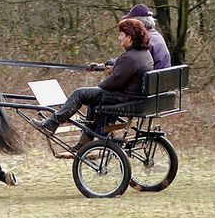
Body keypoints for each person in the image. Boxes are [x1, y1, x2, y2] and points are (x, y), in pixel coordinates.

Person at [31, 18, 154, 146]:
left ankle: (51, 123)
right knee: (92, 99)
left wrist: (101, 83)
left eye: (121, 35)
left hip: (124, 97)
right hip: (133, 96)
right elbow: (120, 67)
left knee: (80, 93)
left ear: (129, 37)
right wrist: (105, 67)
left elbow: (114, 82)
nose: (119, 38)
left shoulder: (130, 58)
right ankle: (85, 141)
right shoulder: (143, 54)